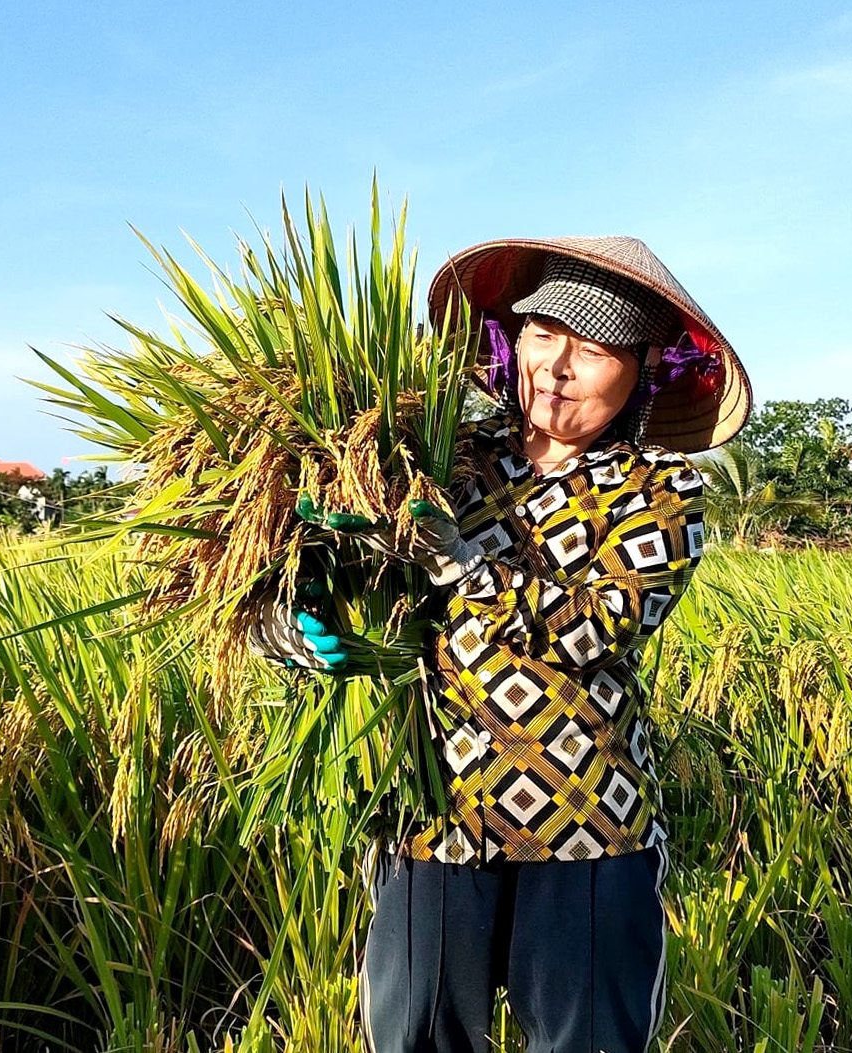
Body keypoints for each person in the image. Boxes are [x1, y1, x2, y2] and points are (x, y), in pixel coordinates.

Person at [251, 237, 751, 1053]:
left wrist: (466, 564)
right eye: (542, 336)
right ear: (511, 340)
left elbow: (599, 626)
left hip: (585, 816)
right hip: (432, 809)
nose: (555, 366)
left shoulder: (660, 487)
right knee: (414, 1035)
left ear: (639, 369)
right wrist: (306, 632)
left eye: (589, 350)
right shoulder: (438, 456)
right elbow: (331, 575)